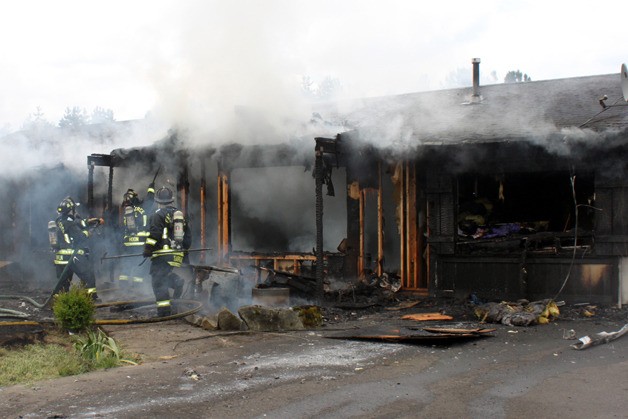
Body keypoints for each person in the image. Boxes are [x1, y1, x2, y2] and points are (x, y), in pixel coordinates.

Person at [143, 187, 191, 317]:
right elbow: (188, 239)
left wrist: (148, 248)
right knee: (163, 277)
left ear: (158, 201)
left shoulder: (157, 215)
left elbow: (155, 234)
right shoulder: (180, 216)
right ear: (171, 200)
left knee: (158, 282)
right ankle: (177, 282)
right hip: (177, 254)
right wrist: (182, 251)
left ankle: (164, 312)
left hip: (162, 255)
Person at [52, 196, 104, 299]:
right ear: (70, 210)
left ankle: (59, 302)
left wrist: (95, 220)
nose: (74, 211)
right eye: (73, 209)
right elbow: (81, 236)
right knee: (88, 275)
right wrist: (90, 231)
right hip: (73, 256)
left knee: (63, 283)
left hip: (60, 259)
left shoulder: (60, 222)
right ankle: (91, 298)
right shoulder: (70, 223)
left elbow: (81, 223)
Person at [118, 183, 155, 289]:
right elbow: (150, 199)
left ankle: (123, 287)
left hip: (128, 243)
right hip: (140, 242)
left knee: (126, 264)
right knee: (139, 265)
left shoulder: (127, 211)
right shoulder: (143, 207)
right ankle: (137, 289)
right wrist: (151, 188)